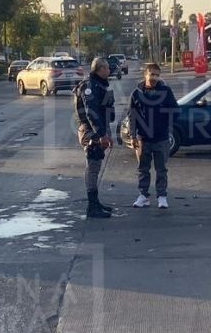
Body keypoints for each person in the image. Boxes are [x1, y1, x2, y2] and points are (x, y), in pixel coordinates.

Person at [128, 63, 179, 209]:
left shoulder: (165, 91)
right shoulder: (137, 93)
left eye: (157, 75)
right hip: (142, 138)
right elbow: (132, 116)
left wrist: (167, 125)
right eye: (152, 74)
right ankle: (143, 195)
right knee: (143, 169)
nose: (155, 77)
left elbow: (175, 110)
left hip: (161, 138)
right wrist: (132, 135)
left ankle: (162, 196)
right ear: (146, 75)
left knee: (161, 169)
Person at [75, 57, 116, 219]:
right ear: (99, 69)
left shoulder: (98, 84)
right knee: (92, 167)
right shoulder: (89, 86)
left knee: (96, 166)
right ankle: (92, 207)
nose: (109, 71)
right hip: (90, 131)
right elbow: (91, 112)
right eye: (106, 68)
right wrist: (101, 135)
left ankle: (96, 203)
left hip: (98, 130)